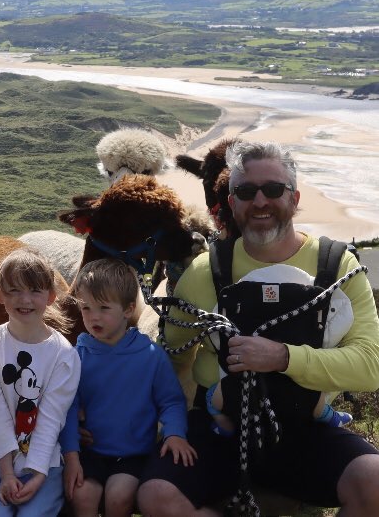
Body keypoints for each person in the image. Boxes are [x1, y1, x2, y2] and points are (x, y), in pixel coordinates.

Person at [137, 140, 379, 516]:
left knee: (373, 481)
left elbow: (369, 366)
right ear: (232, 203)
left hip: (302, 430)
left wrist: (282, 357)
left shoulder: (337, 266)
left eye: (274, 189)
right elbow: (173, 357)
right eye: (246, 192)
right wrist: (174, 420)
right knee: (156, 496)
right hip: (220, 432)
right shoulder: (205, 272)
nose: (260, 201)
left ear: (295, 198)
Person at [61, 258, 196, 517]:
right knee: (82, 495)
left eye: (103, 308)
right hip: (89, 452)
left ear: (128, 309)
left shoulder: (150, 355)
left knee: (118, 497)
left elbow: (171, 401)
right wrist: (72, 454)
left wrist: (175, 433)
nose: (93, 317)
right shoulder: (76, 356)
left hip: (133, 454)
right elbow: (68, 408)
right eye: (86, 308)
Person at [0, 247, 81, 517]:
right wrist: (6, 474)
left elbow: (51, 418)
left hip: (44, 461)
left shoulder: (64, 355)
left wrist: (37, 475)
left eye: (35, 290)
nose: (25, 299)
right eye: (14, 290)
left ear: (51, 296)